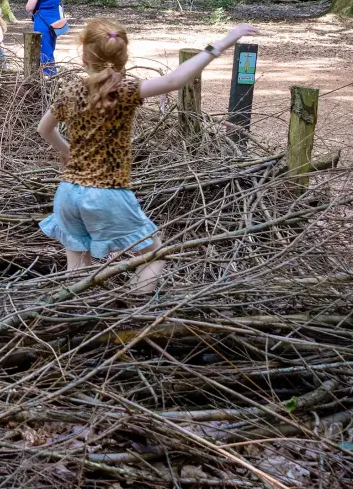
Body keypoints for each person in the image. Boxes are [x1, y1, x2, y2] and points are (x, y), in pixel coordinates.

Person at [37, 18, 259, 294]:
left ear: (84, 56)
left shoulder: (69, 90)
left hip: (68, 193)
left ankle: (72, 321)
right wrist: (223, 42)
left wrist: (66, 151)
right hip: (107, 192)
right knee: (154, 253)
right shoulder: (125, 90)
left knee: (78, 269)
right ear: (124, 58)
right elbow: (177, 79)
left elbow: (44, 129)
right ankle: (133, 308)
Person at [23, 0, 68, 74]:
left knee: (43, 50)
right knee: (49, 48)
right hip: (55, 20)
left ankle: (48, 76)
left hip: (43, 21)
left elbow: (30, 7)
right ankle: (50, 75)